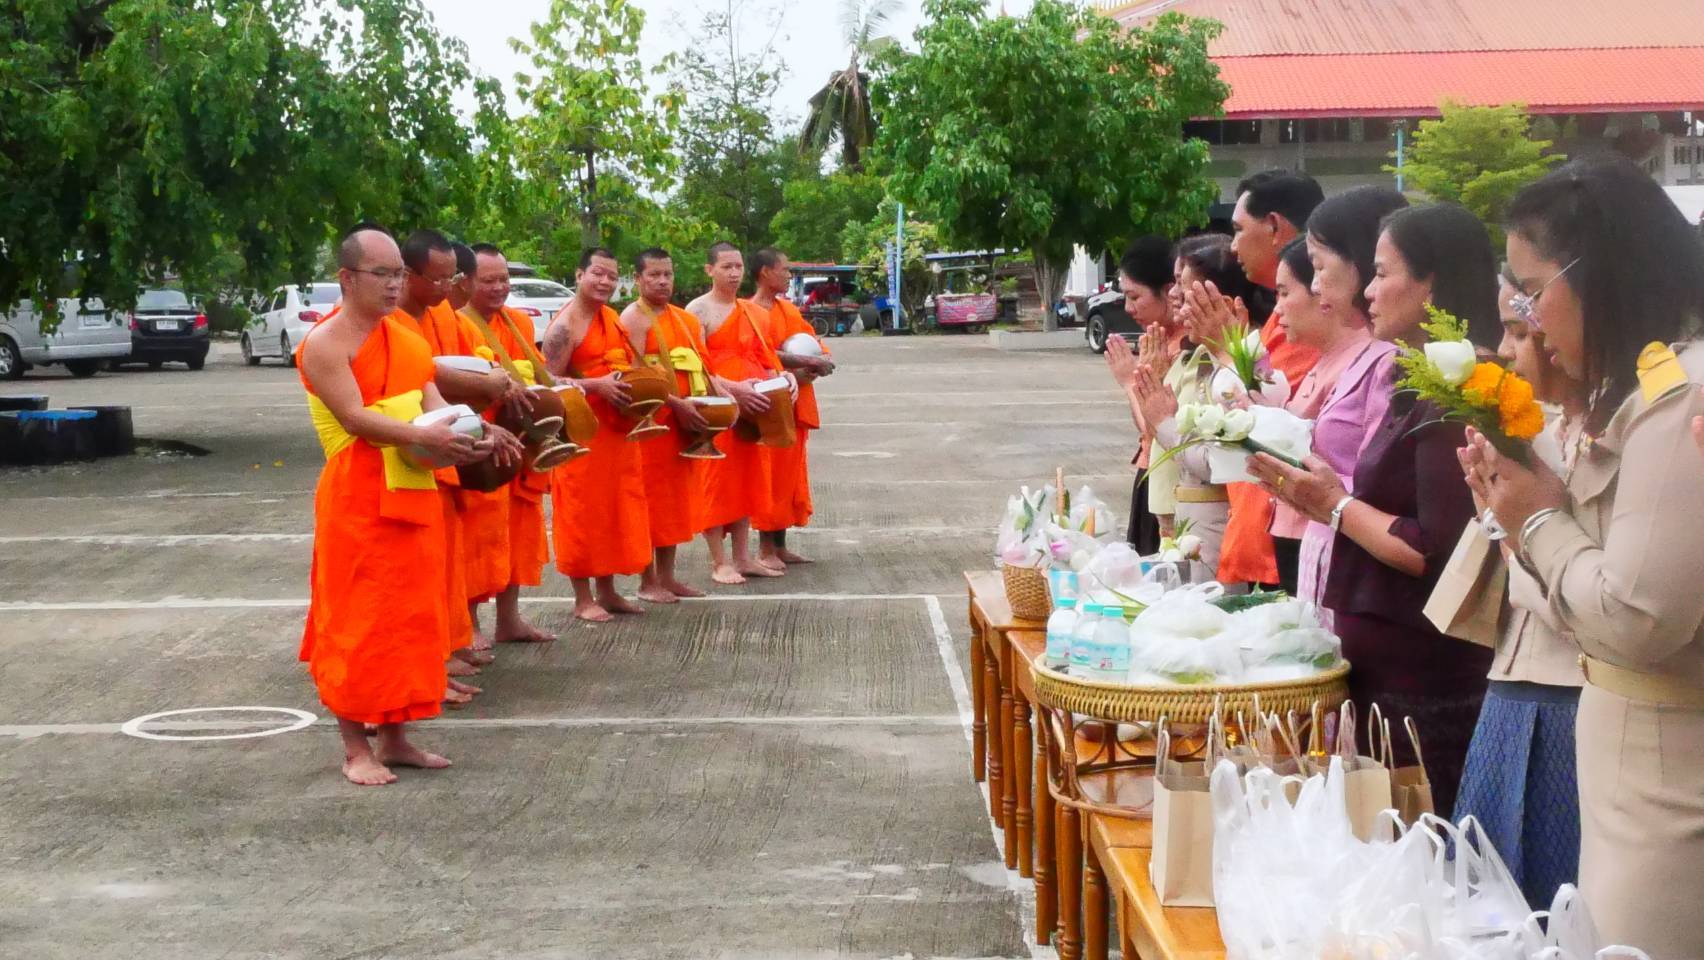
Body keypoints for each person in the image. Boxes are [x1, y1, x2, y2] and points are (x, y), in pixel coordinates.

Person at [1465, 159, 1704, 957]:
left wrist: (1536, 522)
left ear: (1597, 273)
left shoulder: (1678, 397)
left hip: (1666, 793)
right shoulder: (1638, 391)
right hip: (1630, 769)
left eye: (1533, 294)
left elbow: (1635, 617)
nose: (1528, 325)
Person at [1250, 194, 1500, 818]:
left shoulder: (1459, 395)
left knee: (1417, 839)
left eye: (1382, 273)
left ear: (1431, 284)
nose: (1368, 292)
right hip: (1383, 667)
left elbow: (1430, 549)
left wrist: (1332, 506)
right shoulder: (1418, 381)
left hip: (1423, 678)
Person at [297, 223, 485, 785]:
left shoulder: (407, 340)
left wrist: (477, 432)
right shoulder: (325, 344)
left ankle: (398, 738)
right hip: (357, 498)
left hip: (412, 489)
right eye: (381, 274)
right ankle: (355, 748)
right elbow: (355, 418)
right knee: (358, 621)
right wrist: (426, 436)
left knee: (409, 618)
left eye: (399, 273)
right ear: (347, 278)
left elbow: (436, 404)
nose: (394, 284)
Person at [1452, 266, 1589, 910]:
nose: (1506, 351)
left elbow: (1588, 603)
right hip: (1513, 683)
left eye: (1518, 329)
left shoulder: (1612, 434)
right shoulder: (1549, 427)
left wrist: (1515, 531)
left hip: (1566, 695)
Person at [395, 230, 524, 703]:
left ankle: (441, 655)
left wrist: (484, 425)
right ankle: (422, 668)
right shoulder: (371, 330)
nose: (450, 289)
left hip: (438, 455)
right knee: (409, 578)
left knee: (443, 566)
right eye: (439, 279)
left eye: (453, 278)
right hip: (392, 466)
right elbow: (366, 411)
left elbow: (430, 384)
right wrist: (483, 395)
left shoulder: (434, 317)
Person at [1265, 235, 1396, 623]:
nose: (1318, 284)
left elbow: (1377, 484)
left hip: (1348, 544)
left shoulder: (1382, 359)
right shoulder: (1338, 357)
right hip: (1318, 536)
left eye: (1320, 268)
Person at [1211, 169, 1325, 591]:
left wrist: (1227, 352)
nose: (1233, 245)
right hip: (1260, 536)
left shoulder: (1310, 324)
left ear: (1274, 226)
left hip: (1281, 544)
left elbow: (1270, 425)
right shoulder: (1283, 316)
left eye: (1239, 229)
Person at [1127, 234, 1261, 581]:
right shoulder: (1200, 358)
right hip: (1185, 517)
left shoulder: (1245, 366)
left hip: (1216, 529)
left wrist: (1164, 421)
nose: (1176, 300)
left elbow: (1220, 460)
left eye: (1186, 292)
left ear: (1223, 303)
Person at [543, 247, 652, 621]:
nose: (605, 282)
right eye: (598, 274)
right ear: (579, 275)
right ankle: (582, 598)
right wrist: (596, 386)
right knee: (581, 512)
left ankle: (607, 590)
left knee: (614, 510)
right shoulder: (564, 326)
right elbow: (547, 381)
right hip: (581, 432)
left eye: (612, 276)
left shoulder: (611, 318)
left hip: (616, 430)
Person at [459, 244, 557, 644]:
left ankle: (509, 619)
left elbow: (536, 372)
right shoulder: (458, 323)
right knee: (478, 534)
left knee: (520, 532)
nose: (499, 288)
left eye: (504, 279)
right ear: (466, 282)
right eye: (489, 281)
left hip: (522, 439)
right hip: (483, 442)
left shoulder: (518, 322)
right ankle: (469, 624)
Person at [687, 242, 793, 585]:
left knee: (748, 481)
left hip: (754, 409)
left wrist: (782, 379)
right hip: (718, 407)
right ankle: (719, 562)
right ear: (709, 270)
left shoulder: (752, 311)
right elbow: (695, 369)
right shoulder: (697, 311)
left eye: (738, 267)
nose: (734, 273)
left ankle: (743, 557)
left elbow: (765, 358)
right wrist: (735, 390)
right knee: (716, 482)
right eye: (726, 267)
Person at [620, 248, 712, 603]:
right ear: (638, 279)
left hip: (682, 423)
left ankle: (668, 576)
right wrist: (676, 404)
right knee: (649, 502)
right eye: (654, 275)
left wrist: (720, 398)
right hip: (651, 422)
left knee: (674, 503)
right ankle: (647, 581)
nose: (662, 281)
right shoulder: (633, 318)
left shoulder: (684, 319)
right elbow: (636, 379)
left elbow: (703, 368)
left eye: (667, 274)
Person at [749, 247, 834, 567]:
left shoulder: (787, 310)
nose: (788, 275)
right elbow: (759, 354)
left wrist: (819, 360)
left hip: (797, 400)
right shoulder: (748, 311)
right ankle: (765, 549)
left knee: (789, 477)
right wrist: (801, 365)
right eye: (783, 269)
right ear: (765, 273)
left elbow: (810, 341)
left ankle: (780, 545)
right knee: (768, 475)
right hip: (770, 402)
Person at [1105, 235, 1174, 556]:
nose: (1128, 308)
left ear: (1168, 291)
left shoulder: (1180, 348)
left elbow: (1152, 427)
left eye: (1135, 297)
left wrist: (1129, 382)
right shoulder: (1159, 341)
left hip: (1167, 483)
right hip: (1151, 471)